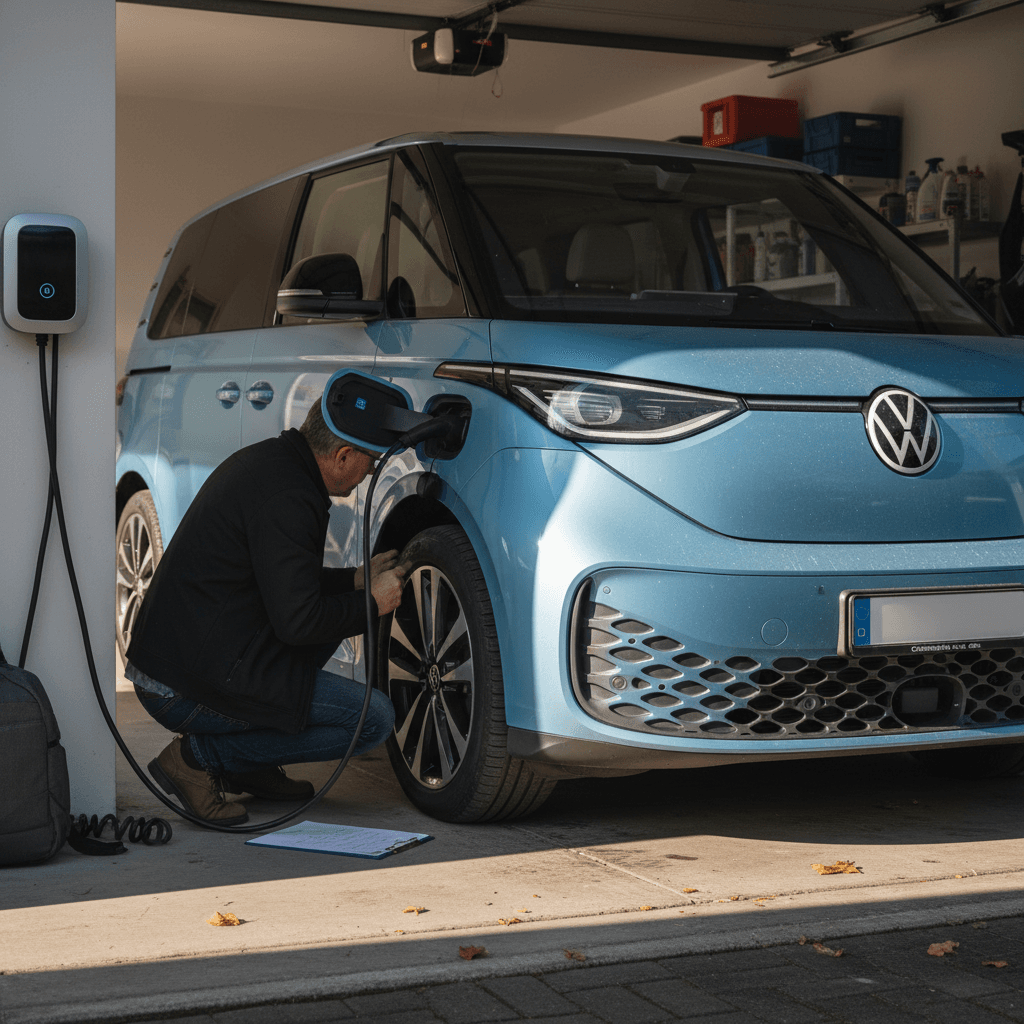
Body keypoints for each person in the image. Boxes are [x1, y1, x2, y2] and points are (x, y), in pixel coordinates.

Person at [124, 396, 407, 826]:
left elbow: (285, 581)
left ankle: (247, 764)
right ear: (343, 455)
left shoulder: (278, 466)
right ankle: (199, 758)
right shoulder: (290, 497)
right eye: (369, 462)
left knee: (329, 629)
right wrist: (372, 603)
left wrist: (353, 580)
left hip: (191, 659)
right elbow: (299, 622)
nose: (370, 472)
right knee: (373, 719)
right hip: (178, 687)